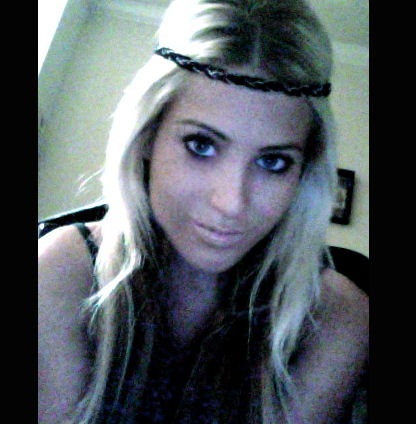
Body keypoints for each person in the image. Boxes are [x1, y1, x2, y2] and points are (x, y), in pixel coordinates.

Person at [38, 0, 369, 423]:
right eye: (201, 145)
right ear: (147, 137)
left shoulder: (335, 317)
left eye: (273, 162)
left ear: (304, 171)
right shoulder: (61, 273)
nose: (231, 202)